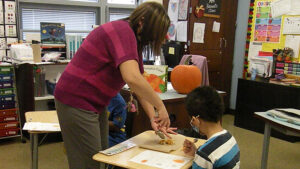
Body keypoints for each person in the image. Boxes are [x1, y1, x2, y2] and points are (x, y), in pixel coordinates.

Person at [54, 2, 176, 169]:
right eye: (154, 34)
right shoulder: (123, 31)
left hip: (96, 103)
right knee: (89, 163)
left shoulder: (133, 39)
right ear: (142, 22)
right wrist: (161, 106)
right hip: (75, 99)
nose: (153, 40)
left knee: (104, 157)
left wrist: (152, 117)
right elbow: (132, 77)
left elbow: (139, 83)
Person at [183, 86, 240, 169]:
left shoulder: (205, 154)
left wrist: (200, 156)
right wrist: (196, 153)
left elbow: (208, 157)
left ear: (196, 119)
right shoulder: (230, 138)